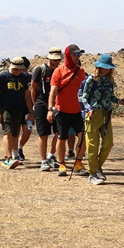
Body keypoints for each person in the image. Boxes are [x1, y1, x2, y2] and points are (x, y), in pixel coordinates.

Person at [79, 54, 124, 185]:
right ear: (98, 67)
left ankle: (97, 167)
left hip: (106, 114)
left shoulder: (109, 81)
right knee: (93, 145)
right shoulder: (91, 80)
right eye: (103, 68)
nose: (105, 70)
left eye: (108, 68)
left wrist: (119, 101)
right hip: (93, 114)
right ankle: (92, 173)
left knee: (108, 143)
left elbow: (110, 96)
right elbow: (84, 97)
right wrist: (88, 109)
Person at [47, 44, 88, 177]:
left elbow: (85, 91)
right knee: (62, 138)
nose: (78, 57)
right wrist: (50, 109)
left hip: (78, 112)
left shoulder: (81, 71)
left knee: (82, 138)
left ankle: (78, 163)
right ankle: (62, 164)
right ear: (68, 55)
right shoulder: (58, 71)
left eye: (79, 54)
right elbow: (52, 92)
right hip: (62, 110)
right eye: (76, 54)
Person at [0, 57, 34, 169]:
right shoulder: (3, 76)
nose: (17, 72)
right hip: (6, 109)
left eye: (19, 70)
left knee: (15, 133)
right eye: (15, 69)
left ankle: (15, 156)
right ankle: (8, 158)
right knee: (8, 133)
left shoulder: (24, 77)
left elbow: (26, 95)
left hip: (19, 109)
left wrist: (30, 111)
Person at [31, 47, 63, 171]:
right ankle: (43, 160)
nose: (56, 62)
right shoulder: (40, 70)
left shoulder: (60, 70)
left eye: (58, 59)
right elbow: (33, 88)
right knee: (43, 134)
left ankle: (51, 155)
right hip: (41, 104)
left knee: (59, 132)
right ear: (49, 58)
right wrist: (35, 104)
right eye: (54, 60)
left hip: (57, 105)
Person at [16, 57, 33, 161]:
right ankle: (14, 152)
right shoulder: (12, 77)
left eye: (24, 69)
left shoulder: (30, 77)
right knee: (15, 131)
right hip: (16, 108)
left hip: (28, 109)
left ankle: (19, 147)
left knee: (28, 130)